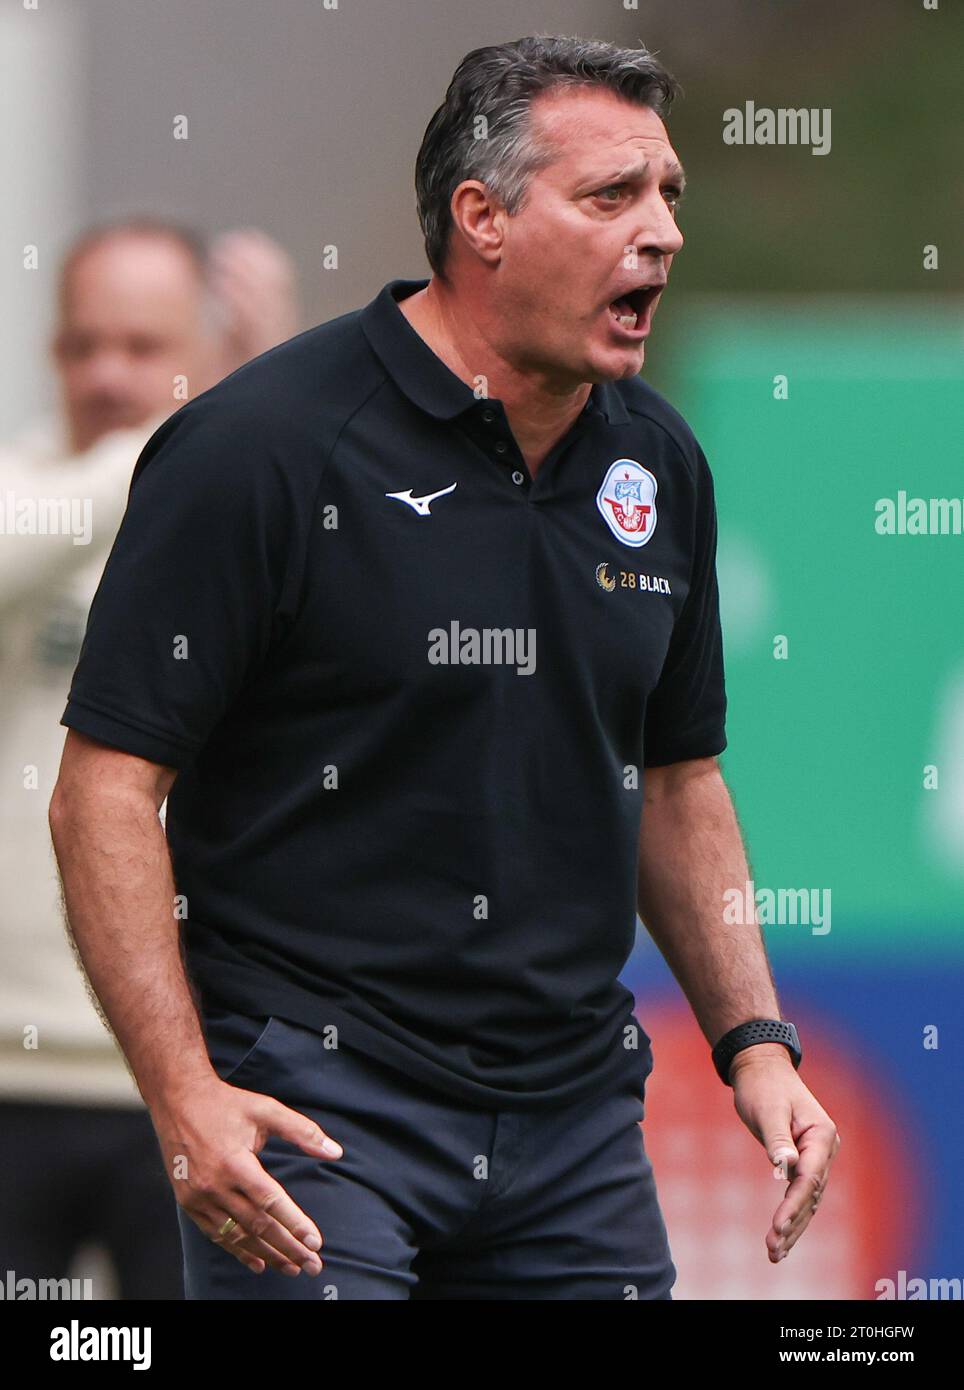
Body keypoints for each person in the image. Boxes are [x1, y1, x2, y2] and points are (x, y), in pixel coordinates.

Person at [48, 36, 839, 1301]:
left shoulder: (659, 466)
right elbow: (104, 787)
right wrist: (184, 1092)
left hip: (575, 1121)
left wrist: (755, 1043)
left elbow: (680, 781)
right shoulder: (260, 449)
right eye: (609, 196)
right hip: (314, 1107)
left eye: (669, 196)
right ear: (482, 219)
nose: (660, 233)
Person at [1, 217, 299, 1298]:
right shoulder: (28, 488)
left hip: (190, 1074)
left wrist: (242, 426)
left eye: (141, 346)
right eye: (84, 345)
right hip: (9, 1069)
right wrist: (211, 417)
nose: (109, 374)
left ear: (197, 345)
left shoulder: (259, 515)